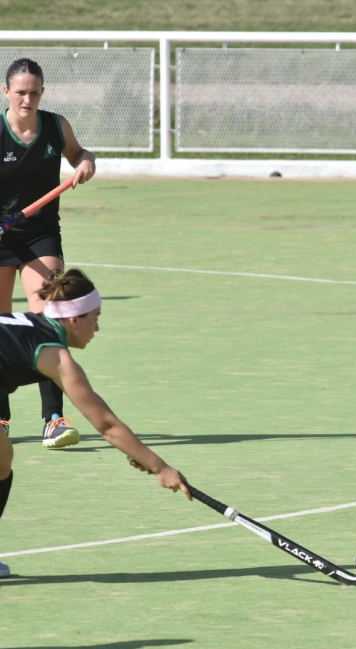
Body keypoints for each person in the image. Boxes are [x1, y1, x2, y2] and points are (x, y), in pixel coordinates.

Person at [0, 268, 190, 578]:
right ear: (74, 319)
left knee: (1, 457)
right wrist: (160, 467)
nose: (97, 327)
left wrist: (139, 455)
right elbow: (106, 425)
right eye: (95, 317)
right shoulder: (54, 355)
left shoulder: (31, 325)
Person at [0, 57, 97, 449]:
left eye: (34, 92)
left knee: (49, 322)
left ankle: (53, 419)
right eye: (20, 92)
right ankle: (1, 420)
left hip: (40, 233)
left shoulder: (55, 126)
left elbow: (77, 153)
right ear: (6, 91)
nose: (27, 99)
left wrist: (85, 162)